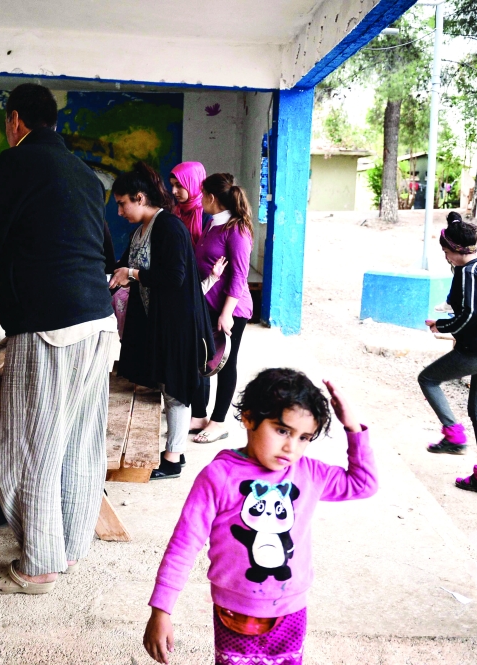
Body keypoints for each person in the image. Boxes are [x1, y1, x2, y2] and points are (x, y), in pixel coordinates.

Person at [0, 83, 117, 596]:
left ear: (14, 121)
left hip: (49, 326)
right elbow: (104, 253)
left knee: (32, 444)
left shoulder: (16, 164)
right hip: (99, 324)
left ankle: (38, 566)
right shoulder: (84, 174)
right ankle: (67, 547)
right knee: (78, 443)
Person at [143, 368, 378, 665]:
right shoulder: (219, 477)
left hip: (293, 610)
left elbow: (363, 484)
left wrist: (353, 428)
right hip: (235, 614)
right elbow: (184, 545)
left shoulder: (310, 473)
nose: (291, 447)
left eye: (304, 437)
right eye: (282, 430)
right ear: (249, 418)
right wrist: (161, 610)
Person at [109, 162, 215, 481]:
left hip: (178, 322)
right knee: (167, 387)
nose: (119, 211)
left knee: (176, 388)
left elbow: (173, 276)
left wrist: (133, 275)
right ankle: (173, 451)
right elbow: (123, 265)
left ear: (140, 198)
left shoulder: (168, 226)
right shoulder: (141, 230)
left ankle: (173, 457)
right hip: (160, 320)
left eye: (121, 203)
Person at [420, 213, 477, 497]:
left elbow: (472, 315)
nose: (446, 257)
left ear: (456, 251)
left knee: (428, 379)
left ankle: (453, 435)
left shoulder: (468, 272)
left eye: (446, 251)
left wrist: (442, 325)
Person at [191, 173, 255, 445]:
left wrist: (226, 313)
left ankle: (218, 422)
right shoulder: (211, 224)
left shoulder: (237, 229)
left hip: (231, 309)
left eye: (201, 193)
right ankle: (199, 415)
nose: (199, 198)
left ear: (211, 197)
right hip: (208, 304)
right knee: (202, 359)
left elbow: (240, 276)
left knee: (226, 363)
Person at [169, 161, 207, 247]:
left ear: (194, 183)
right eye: (172, 185)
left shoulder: (207, 214)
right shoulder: (175, 212)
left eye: (179, 185)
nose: (173, 191)